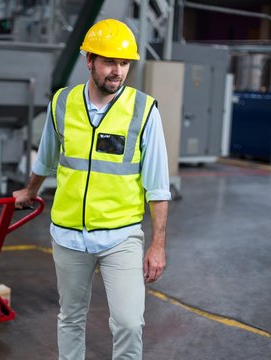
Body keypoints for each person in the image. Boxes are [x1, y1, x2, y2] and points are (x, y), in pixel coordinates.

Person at [13, 18, 171, 360]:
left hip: (120, 235)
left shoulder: (143, 112)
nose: (117, 71)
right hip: (69, 234)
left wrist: (157, 245)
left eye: (124, 63)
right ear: (89, 61)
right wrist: (30, 191)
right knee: (70, 318)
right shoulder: (62, 103)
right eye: (109, 62)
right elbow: (47, 159)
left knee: (129, 323)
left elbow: (158, 186)